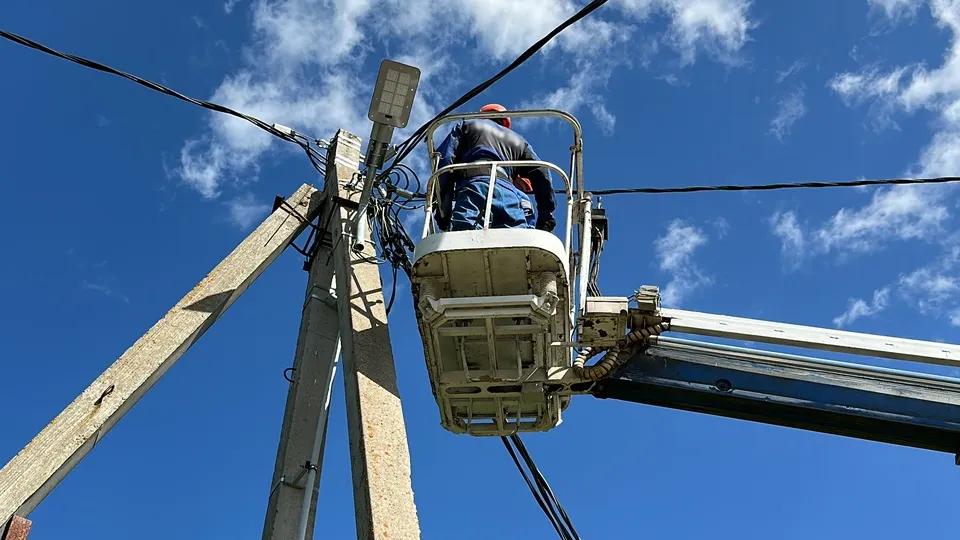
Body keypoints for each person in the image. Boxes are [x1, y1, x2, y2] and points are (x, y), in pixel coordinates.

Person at [433, 104, 556, 233]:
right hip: (509, 195)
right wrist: (545, 213)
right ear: (505, 122)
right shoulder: (519, 141)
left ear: (481, 115)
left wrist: (443, 210)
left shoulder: (467, 125)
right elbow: (541, 171)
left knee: (466, 237)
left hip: (475, 187)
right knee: (515, 242)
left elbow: (445, 160)